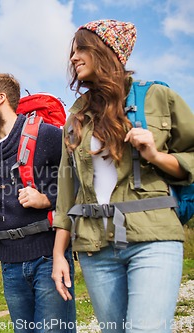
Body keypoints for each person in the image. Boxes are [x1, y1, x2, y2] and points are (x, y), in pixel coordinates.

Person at [52, 19, 194, 333]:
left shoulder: (157, 96)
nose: (73, 57)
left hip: (152, 239)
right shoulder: (75, 118)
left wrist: (156, 155)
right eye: (72, 51)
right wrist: (58, 254)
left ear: (108, 51)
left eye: (82, 48)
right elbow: (66, 192)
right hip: (95, 248)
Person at [0, 71, 76, 332]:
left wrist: (46, 199)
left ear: (1, 98)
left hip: (48, 256)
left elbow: (78, 188)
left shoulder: (47, 135)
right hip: (10, 264)